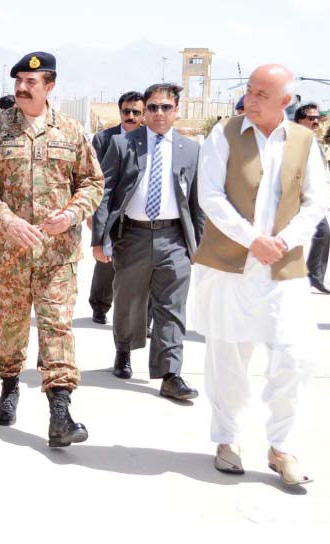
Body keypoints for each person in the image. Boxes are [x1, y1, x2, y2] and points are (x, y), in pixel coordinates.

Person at [193, 64, 330, 486]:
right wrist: (252, 239)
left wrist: (283, 241)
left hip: (282, 268)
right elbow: (209, 195)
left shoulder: (305, 141)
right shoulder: (224, 134)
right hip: (231, 268)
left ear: (285, 102)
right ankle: (227, 439)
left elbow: (317, 201)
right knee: (228, 358)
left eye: (260, 95)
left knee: (296, 355)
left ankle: (281, 446)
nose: (249, 100)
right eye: (249, 92)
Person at [0, 52, 103, 445]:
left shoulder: (71, 131)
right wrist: (6, 219)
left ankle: (60, 411)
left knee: (57, 326)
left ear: (50, 86)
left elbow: (92, 183)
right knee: (7, 331)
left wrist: (73, 214)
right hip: (7, 252)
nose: (22, 89)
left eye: (31, 82)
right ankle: (9, 385)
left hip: (57, 255)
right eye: (18, 82)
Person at [91, 83, 202, 401]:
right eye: (152, 107)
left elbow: (197, 202)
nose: (158, 113)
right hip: (133, 236)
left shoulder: (191, 150)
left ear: (176, 111)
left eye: (165, 107)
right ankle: (124, 350)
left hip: (174, 238)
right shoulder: (125, 144)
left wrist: (200, 245)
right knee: (129, 301)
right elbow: (106, 192)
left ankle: (170, 373)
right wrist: (100, 238)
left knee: (171, 306)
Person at [88, 90, 144, 325]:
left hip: (138, 213)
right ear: (119, 112)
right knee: (106, 261)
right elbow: (93, 177)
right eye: (126, 111)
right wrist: (93, 213)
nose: (130, 116)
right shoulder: (103, 139)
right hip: (110, 210)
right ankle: (100, 305)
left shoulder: (148, 140)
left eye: (135, 112)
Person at [294, 102, 330, 294]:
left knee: (322, 233)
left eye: (317, 118)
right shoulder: (293, 141)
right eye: (311, 118)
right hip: (296, 199)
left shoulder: (313, 141)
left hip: (312, 200)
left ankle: (314, 276)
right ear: (299, 120)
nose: (316, 121)